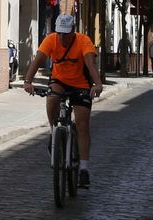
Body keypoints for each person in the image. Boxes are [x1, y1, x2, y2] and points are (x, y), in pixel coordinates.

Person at [23, 13, 104, 189]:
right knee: (52, 97)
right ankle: (54, 132)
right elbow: (37, 60)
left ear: (73, 31)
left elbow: (91, 64)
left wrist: (97, 84)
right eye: (59, 33)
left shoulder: (84, 41)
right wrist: (28, 81)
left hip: (81, 84)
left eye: (66, 33)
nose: (62, 37)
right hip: (59, 81)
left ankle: (83, 169)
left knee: (82, 125)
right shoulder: (51, 40)